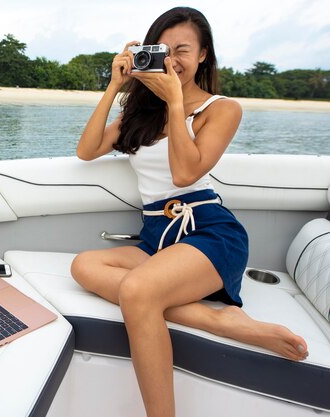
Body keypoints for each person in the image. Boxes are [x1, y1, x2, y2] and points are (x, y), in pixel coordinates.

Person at [71, 6, 308, 417]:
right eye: (162, 50)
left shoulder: (222, 108)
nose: (172, 60)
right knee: (84, 266)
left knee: (138, 291)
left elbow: (184, 174)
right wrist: (115, 87)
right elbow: (87, 150)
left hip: (208, 232)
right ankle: (219, 320)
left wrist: (176, 103)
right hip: (156, 236)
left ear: (203, 55)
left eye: (182, 50)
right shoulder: (140, 113)